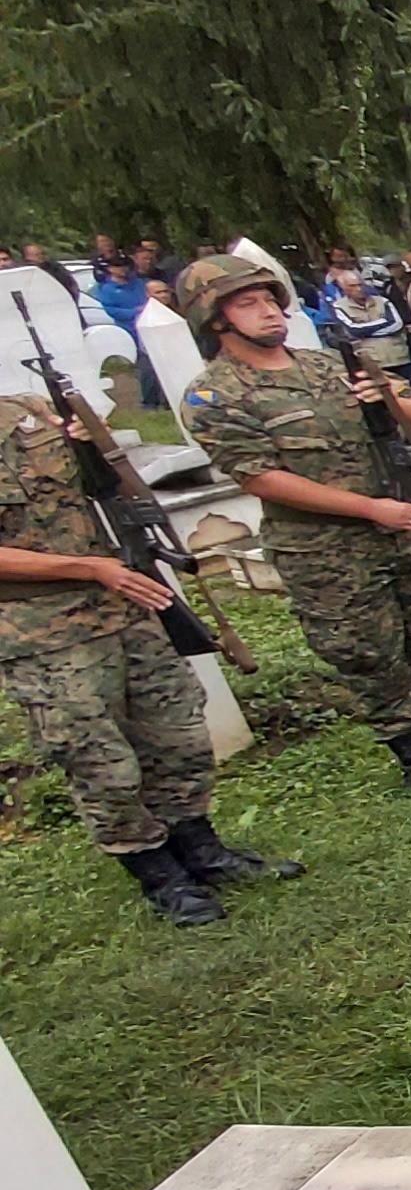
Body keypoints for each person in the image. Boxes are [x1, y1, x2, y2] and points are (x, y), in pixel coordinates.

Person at [180, 255, 411, 796]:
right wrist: (369, 509)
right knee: (368, 650)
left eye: (271, 299)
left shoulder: (328, 366)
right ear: (215, 320)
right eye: (249, 304)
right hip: (325, 547)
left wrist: (386, 396)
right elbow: (261, 478)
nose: (269, 312)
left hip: (400, 525)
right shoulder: (215, 395)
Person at [0, 361, 300, 925]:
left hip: (123, 602)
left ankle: (201, 849)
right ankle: (157, 873)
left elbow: (97, 492)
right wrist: (86, 567)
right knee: (100, 760)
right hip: (40, 632)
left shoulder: (29, 415)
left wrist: (93, 448)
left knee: (179, 733)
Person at [324, 265, 411, 374]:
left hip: (399, 357)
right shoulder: (339, 307)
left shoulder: (383, 301)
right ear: (343, 288)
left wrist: (367, 332)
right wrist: (384, 322)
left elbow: (397, 324)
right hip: (372, 361)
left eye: (360, 285)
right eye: (352, 286)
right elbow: (353, 331)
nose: (359, 289)